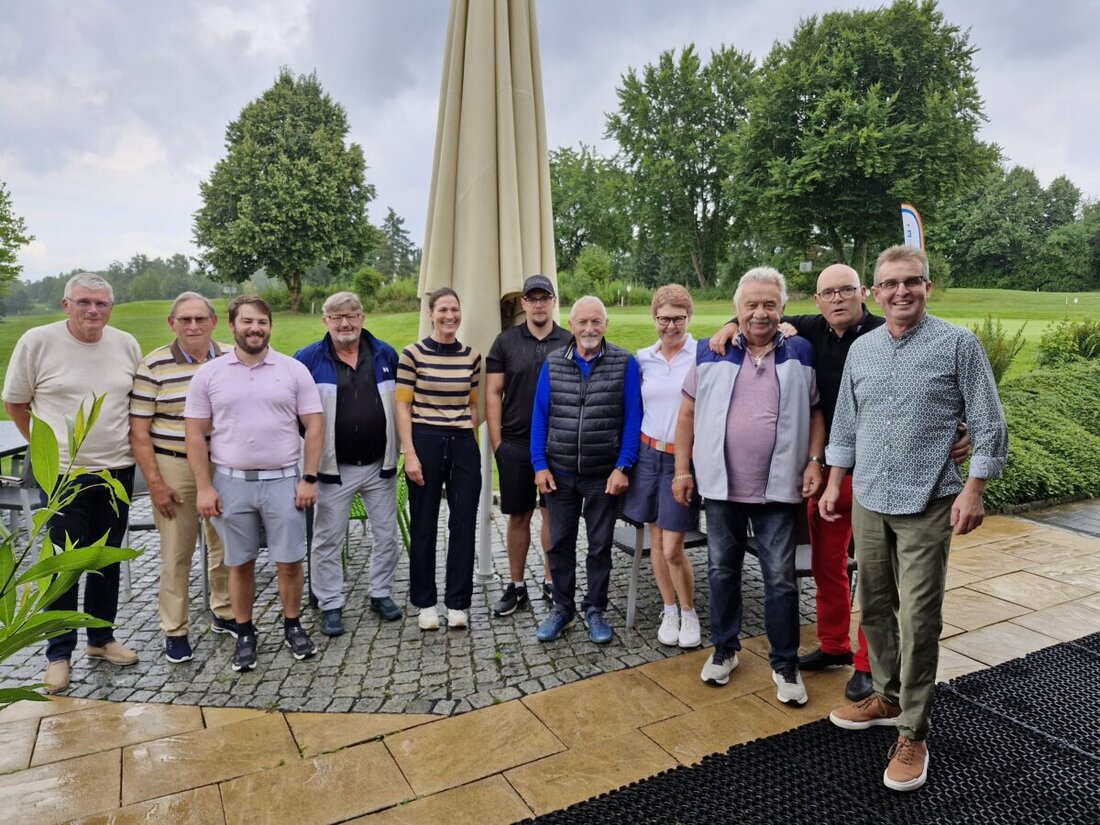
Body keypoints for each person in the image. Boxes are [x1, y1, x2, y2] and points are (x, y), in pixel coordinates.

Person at [711, 264, 971, 701]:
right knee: (826, 566)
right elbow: (760, 312)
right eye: (828, 293)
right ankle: (834, 644)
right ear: (817, 301)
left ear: (863, 292)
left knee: (876, 577)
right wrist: (728, 326)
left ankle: (869, 665)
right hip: (829, 476)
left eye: (845, 291)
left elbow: (938, 390)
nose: (837, 299)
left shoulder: (886, 331)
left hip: (881, 477)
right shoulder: (812, 330)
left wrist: (958, 430)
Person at [821, 245, 1007, 792]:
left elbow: (988, 422)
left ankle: (913, 732)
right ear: (874, 293)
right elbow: (846, 424)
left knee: (920, 618)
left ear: (928, 286)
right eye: (890, 283)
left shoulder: (958, 344)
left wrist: (974, 489)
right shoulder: (863, 349)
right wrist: (834, 483)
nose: (900, 291)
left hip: (930, 501)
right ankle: (886, 696)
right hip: (869, 498)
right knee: (874, 606)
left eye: (911, 281)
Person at [673, 267, 825, 706]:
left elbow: (816, 411)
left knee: (780, 579)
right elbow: (687, 414)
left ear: (783, 308)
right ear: (736, 308)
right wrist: (682, 471)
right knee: (722, 571)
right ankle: (725, 649)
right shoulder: (710, 351)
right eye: (751, 304)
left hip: (779, 489)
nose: (760, 312)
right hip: (722, 488)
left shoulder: (801, 351)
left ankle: (785, 663)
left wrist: (814, 460)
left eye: (769, 304)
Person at [3, 272, 142, 694]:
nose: (93, 310)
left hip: (116, 471)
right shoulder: (38, 342)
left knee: (106, 560)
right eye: (84, 302)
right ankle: (58, 654)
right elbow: (16, 402)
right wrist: (46, 450)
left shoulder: (125, 344)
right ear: (66, 304)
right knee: (63, 564)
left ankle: (101, 638)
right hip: (63, 475)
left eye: (101, 303)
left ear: (111, 308)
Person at [184, 296, 324, 672]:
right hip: (231, 482)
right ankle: (245, 632)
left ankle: (293, 625)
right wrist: (204, 487)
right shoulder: (210, 374)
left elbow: (314, 427)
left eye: (262, 322)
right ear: (232, 325)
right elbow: (195, 434)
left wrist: (309, 478)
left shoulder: (293, 370)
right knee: (239, 563)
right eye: (247, 321)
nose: (255, 328)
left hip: (284, 480)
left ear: (270, 326)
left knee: (290, 561)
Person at [130, 292, 236, 664]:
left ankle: (224, 610)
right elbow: (139, 432)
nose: (193, 326)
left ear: (214, 322)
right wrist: (156, 484)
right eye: (185, 319)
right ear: (172, 323)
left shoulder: (231, 357)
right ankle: (175, 629)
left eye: (200, 319)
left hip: (223, 463)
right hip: (175, 465)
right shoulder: (154, 365)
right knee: (177, 551)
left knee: (226, 544)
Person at [530, 296, 642, 645]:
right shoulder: (553, 362)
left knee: (599, 546)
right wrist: (539, 465)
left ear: (606, 324)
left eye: (596, 321)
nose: (589, 328)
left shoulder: (625, 362)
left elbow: (633, 419)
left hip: (603, 474)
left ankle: (595, 609)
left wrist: (623, 466)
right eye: (582, 322)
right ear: (572, 325)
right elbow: (540, 416)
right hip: (559, 472)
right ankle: (562, 608)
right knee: (559, 543)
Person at [294, 292, 403, 635]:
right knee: (328, 540)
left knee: (387, 536)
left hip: (379, 464)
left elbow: (400, 404)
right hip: (332, 469)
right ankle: (330, 603)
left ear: (362, 318)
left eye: (352, 315)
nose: (345, 323)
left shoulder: (386, 354)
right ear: (325, 321)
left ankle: (380, 593)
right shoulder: (308, 359)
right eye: (337, 316)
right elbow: (294, 415)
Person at [396, 287, 482, 631]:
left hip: (462, 444)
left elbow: (473, 405)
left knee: (463, 524)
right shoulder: (412, 354)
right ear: (431, 314)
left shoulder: (472, 357)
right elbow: (403, 406)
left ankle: (458, 603)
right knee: (424, 524)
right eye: (443, 309)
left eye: (454, 309)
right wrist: (410, 453)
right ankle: (426, 602)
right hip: (425, 442)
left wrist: (470, 441)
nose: (449, 316)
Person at [622, 284, 702, 648]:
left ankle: (688, 611)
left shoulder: (701, 354)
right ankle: (669, 608)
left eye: (678, 318)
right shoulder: (643, 358)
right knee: (655, 541)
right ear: (654, 318)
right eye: (663, 318)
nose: (670, 326)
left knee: (673, 547)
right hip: (647, 455)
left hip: (682, 459)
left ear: (689, 318)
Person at [486, 274, 570, 616]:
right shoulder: (505, 341)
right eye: (532, 299)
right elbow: (493, 392)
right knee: (518, 515)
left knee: (553, 514)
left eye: (543, 298)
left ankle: (551, 581)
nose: (538, 304)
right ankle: (517, 585)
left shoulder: (568, 340)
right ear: (523, 303)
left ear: (553, 301)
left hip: (558, 443)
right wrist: (497, 442)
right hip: (516, 443)